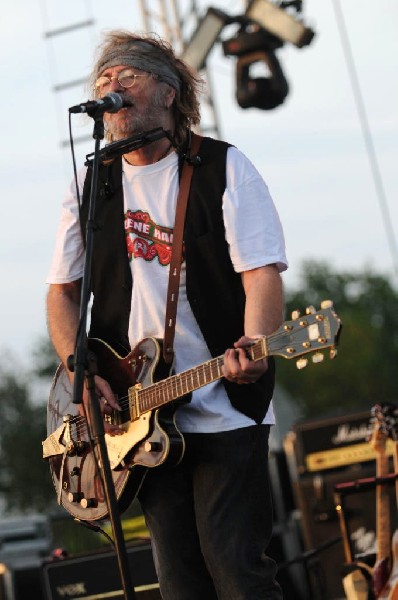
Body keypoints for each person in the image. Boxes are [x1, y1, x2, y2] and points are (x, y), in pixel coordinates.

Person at [46, 29, 288, 600]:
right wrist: (80, 371)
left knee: (239, 572)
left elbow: (262, 274)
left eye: (126, 76)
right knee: (180, 584)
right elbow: (61, 293)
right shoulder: (90, 183)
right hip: (138, 419)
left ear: (168, 91)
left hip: (225, 403)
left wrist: (256, 344)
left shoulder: (223, 168)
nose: (110, 86)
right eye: (103, 80)